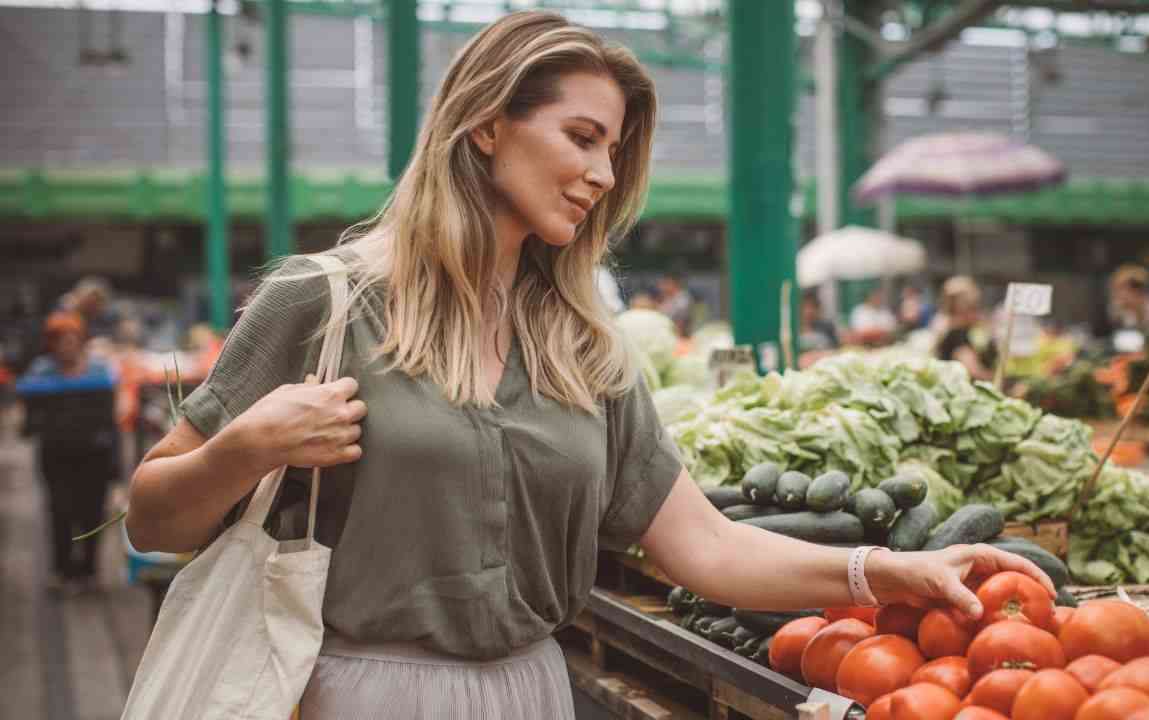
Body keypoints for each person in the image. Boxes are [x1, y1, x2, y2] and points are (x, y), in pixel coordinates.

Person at [124, 11, 1051, 718]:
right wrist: (243, 448)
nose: (605, 174)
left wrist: (888, 571)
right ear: (486, 125)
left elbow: (707, 548)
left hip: (532, 687)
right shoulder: (323, 304)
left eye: (614, 149)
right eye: (582, 137)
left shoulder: (583, 351)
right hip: (352, 691)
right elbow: (152, 518)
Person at [19, 312, 118, 594]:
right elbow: (29, 421)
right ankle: (61, 570)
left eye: (72, 340)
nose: (67, 346)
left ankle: (89, 570)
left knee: (92, 513)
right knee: (59, 511)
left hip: (93, 458)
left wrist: (114, 463)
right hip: (56, 456)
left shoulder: (100, 372)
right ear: (51, 344)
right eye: (60, 341)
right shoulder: (39, 374)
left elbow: (110, 421)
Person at [936, 276, 994, 381]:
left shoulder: (950, 328)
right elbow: (974, 371)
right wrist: (1002, 383)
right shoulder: (957, 335)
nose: (978, 313)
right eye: (974, 307)